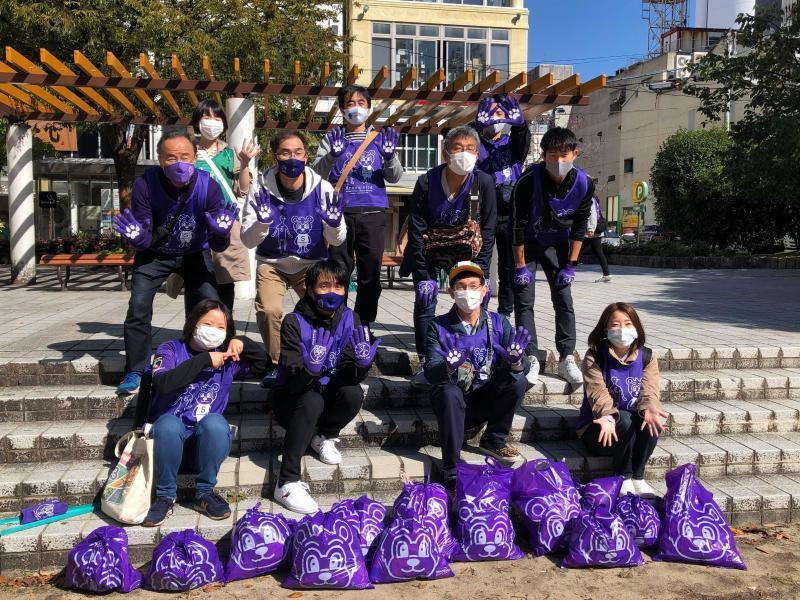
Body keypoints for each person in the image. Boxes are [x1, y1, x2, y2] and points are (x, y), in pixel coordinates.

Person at [113, 131, 237, 395]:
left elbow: (219, 246)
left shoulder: (209, 187)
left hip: (195, 253)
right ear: (160, 160)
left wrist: (221, 233)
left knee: (208, 303)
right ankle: (135, 369)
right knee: (138, 305)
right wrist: (137, 237)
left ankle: (208, 360)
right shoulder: (145, 185)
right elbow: (144, 236)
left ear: (194, 158)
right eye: (171, 158)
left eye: (184, 157)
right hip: (156, 254)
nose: (179, 163)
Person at [142, 299, 267, 526]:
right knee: (169, 423)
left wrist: (243, 341)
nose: (214, 331)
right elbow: (163, 383)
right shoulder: (170, 349)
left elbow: (264, 366)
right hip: (167, 445)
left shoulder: (228, 357)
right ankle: (165, 496)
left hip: (204, 447)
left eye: (221, 327)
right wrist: (203, 360)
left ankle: (205, 492)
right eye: (207, 323)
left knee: (216, 423)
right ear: (193, 324)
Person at [240, 131, 346, 386]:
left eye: (298, 152)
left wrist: (332, 225)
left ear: (306, 156)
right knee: (269, 310)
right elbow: (247, 240)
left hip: (311, 264)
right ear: (275, 157)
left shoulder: (322, 188)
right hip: (272, 263)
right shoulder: (260, 190)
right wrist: (263, 224)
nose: (292, 158)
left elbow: (339, 238)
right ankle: (277, 364)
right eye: (285, 153)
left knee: (328, 308)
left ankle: (329, 357)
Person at [272, 259, 378, 514]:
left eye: (339, 286)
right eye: (324, 286)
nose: (332, 292)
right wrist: (310, 368)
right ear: (309, 289)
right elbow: (292, 380)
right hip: (293, 398)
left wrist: (362, 365)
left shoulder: (351, 318)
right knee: (312, 400)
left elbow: (350, 376)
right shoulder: (293, 322)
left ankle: (323, 436)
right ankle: (286, 481)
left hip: (328, 393)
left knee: (353, 394)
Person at [401, 125, 497, 390]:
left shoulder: (484, 183)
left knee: (475, 302)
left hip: (467, 252)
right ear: (445, 154)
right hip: (431, 250)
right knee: (426, 302)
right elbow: (417, 230)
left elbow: (488, 230)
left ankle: (478, 357)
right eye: (458, 148)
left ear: (478, 154)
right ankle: (426, 361)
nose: (464, 154)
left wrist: (483, 271)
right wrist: (422, 276)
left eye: (470, 149)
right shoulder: (426, 182)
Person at [425, 262, 530, 488]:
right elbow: (431, 371)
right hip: (453, 402)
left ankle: (494, 438)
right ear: (451, 292)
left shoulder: (498, 322)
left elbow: (522, 359)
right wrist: (448, 367)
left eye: (474, 285)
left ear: (484, 290)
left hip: (485, 397)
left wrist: (517, 362)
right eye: (461, 286)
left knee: (518, 380)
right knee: (448, 392)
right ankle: (451, 468)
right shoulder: (437, 325)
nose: (468, 292)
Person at [312, 84, 404, 327]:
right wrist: (332, 155)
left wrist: (389, 156)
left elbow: (395, 176)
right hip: (338, 215)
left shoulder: (380, 139)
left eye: (361, 103)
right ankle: (338, 323)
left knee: (370, 275)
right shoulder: (332, 138)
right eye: (350, 103)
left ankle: (362, 325)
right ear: (342, 108)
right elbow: (316, 174)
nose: (355, 108)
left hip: (372, 213)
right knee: (337, 273)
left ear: (369, 107)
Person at [510, 127, 594, 387]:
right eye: (553, 155)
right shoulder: (526, 181)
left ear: (575, 154)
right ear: (543, 155)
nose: (559, 161)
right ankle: (531, 357)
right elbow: (516, 224)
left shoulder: (584, 183)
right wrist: (521, 266)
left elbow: (581, 224)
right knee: (524, 301)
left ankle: (566, 357)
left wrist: (572, 264)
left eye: (564, 154)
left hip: (557, 245)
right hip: (528, 243)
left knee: (563, 299)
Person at [576, 302, 665, 498]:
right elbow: (597, 392)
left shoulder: (647, 356)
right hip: (599, 428)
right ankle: (623, 477)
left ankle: (638, 477)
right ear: (605, 329)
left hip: (629, 428)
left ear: (637, 328)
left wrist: (650, 407)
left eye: (628, 324)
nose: (622, 330)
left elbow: (649, 390)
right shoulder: (595, 356)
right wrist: (607, 416)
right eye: (615, 325)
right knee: (622, 419)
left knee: (653, 419)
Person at [190, 99, 260, 311]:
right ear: (197, 121)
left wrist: (246, 163)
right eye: (206, 116)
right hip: (195, 224)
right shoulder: (188, 151)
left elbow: (243, 189)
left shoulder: (230, 153)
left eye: (217, 117)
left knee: (225, 279)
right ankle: (195, 331)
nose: (212, 122)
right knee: (197, 279)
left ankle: (226, 329)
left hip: (225, 222)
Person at [473, 93, 530, 316]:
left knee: (508, 267)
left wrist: (521, 125)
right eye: (490, 113)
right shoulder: (475, 142)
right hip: (482, 213)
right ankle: (480, 311)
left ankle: (505, 313)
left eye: (499, 113)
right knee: (481, 264)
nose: (494, 119)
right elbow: (462, 147)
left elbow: (522, 139)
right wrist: (476, 128)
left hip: (509, 213)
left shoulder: (511, 144)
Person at [583, 196, 612, 283]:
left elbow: (593, 214)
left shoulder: (590, 199)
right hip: (596, 232)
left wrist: (591, 229)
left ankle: (567, 272)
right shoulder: (594, 199)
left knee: (576, 252)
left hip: (591, 232)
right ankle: (606, 274)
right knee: (599, 253)